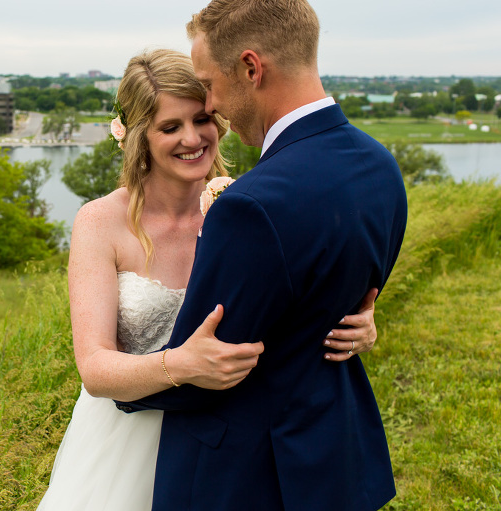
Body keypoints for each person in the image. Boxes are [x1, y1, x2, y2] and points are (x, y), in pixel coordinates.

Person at [37, 48, 381, 511]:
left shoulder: (249, 209)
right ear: (138, 136)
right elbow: (95, 369)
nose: (193, 138)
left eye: (201, 119)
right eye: (170, 127)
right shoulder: (99, 222)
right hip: (122, 443)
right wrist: (181, 365)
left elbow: (294, 306)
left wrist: (355, 321)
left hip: (227, 439)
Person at [115, 1, 408, 510]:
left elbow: (211, 365)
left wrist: (127, 390)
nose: (212, 102)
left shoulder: (250, 206)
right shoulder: (379, 166)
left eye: (208, 83)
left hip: (249, 477)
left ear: (251, 68)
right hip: (336, 459)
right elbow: (334, 294)